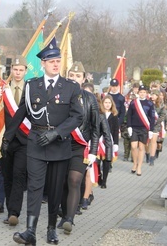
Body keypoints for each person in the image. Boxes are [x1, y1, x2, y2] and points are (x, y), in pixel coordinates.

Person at [1, 38, 83, 245]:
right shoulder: (31, 85)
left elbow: (77, 116)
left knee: (55, 190)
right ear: (43, 64)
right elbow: (21, 113)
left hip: (58, 144)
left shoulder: (70, 87)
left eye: (58, 60)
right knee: (35, 187)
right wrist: (7, 138)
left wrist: (57, 133)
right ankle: (30, 230)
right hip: (36, 141)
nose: (55, 64)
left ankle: (50, 229)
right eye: (51, 60)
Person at [58, 64, 99, 235]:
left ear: (83, 79)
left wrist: (93, 151)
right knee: (61, 183)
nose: (74, 78)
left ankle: (69, 219)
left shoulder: (90, 99)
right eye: (71, 75)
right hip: (60, 145)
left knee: (74, 180)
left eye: (78, 75)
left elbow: (95, 127)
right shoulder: (59, 95)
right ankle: (64, 213)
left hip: (80, 146)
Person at [0, 55, 29, 226]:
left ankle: (14, 213)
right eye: (15, 69)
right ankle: (9, 207)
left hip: (24, 140)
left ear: (25, 71)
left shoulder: (31, 88)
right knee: (7, 175)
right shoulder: (3, 90)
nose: (17, 73)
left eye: (21, 70)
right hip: (6, 139)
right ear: (11, 70)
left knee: (19, 174)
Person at [127, 85, 155, 176]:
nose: (142, 94)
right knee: (134, 146)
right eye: (141, 92)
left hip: (144, 128)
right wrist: (129, 126)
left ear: (146, 93)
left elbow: (152, 117)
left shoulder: (150, 104)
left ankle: (139, 167)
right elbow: (129, 115)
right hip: (134, 128)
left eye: (144, 92)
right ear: (138, 93)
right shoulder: (133, 103)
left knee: (142, 148)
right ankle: (135, 163)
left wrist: (151, 130)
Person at [99, 95, 119, 188]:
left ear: (112, 104)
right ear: (102, 103)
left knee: (107, 161)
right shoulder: (99, 113)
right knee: (97, 160)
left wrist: (116, 143)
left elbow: (115, 130)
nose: (107, 105)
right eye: (106, 102)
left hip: (109, 140)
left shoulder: (114, 115)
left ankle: (104, 181)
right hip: (99, 140)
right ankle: (99, 176)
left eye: (109, 103)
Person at [145, 89, 167, 166]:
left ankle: (152, 157)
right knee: (147, 142)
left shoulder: (161, 105)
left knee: (154, 141)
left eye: (154, 94)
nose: (153, 96)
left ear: (157, 96)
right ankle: (147, 154)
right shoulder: (147, 103)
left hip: (156, 125)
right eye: (152, 94)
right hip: (147, 124)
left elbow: (163, 115)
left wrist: (156, 121)